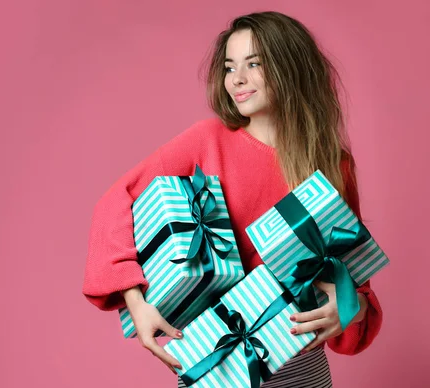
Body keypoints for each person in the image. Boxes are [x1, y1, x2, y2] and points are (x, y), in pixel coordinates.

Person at [82, 11, 383, 387]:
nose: (236, 79)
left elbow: (355, 281)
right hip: (217, 367)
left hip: (304, 369)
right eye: (229, 67)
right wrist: (135, 301)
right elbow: (116, 201)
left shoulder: (333, 164)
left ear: (291, 67)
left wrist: (348, 310)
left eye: (253, 64)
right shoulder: (207, 140)